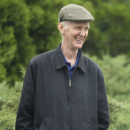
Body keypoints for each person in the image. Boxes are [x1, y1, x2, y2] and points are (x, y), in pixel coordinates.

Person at [15, 4, 110, 130]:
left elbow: (102, 122)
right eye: (78, 27)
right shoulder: (38, 65)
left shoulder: (94, 71)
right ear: (61, 27)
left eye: (86, 28)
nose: (83, 33)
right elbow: (24, 119)